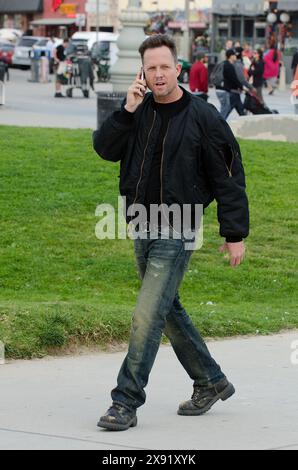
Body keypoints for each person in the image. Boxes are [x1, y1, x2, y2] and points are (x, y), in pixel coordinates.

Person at [93, 34, 249, 431]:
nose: (158, 74)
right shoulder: (138, 110)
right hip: (141, 223)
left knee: (147, 316)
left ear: (177, 68)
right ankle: (210, 381)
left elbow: (229, 176)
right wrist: (126, 111)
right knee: (166, 308)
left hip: (178, 227)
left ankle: (125, 401)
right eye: (151, 68)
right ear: (142, 72)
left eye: (165, 66)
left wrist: (234, 233)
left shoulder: (203, 116)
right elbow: (104, 149)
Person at [222, 48, 245, 119]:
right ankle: (218, 124)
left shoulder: (226, 64)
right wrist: (241, 87)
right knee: (226, 111)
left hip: (233, 91)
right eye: (234, 55)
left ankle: (246, 122)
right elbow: (234, 79)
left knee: (240, 110)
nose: (236, 56)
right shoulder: (229, 66)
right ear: (231, 56)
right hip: (232, 91)